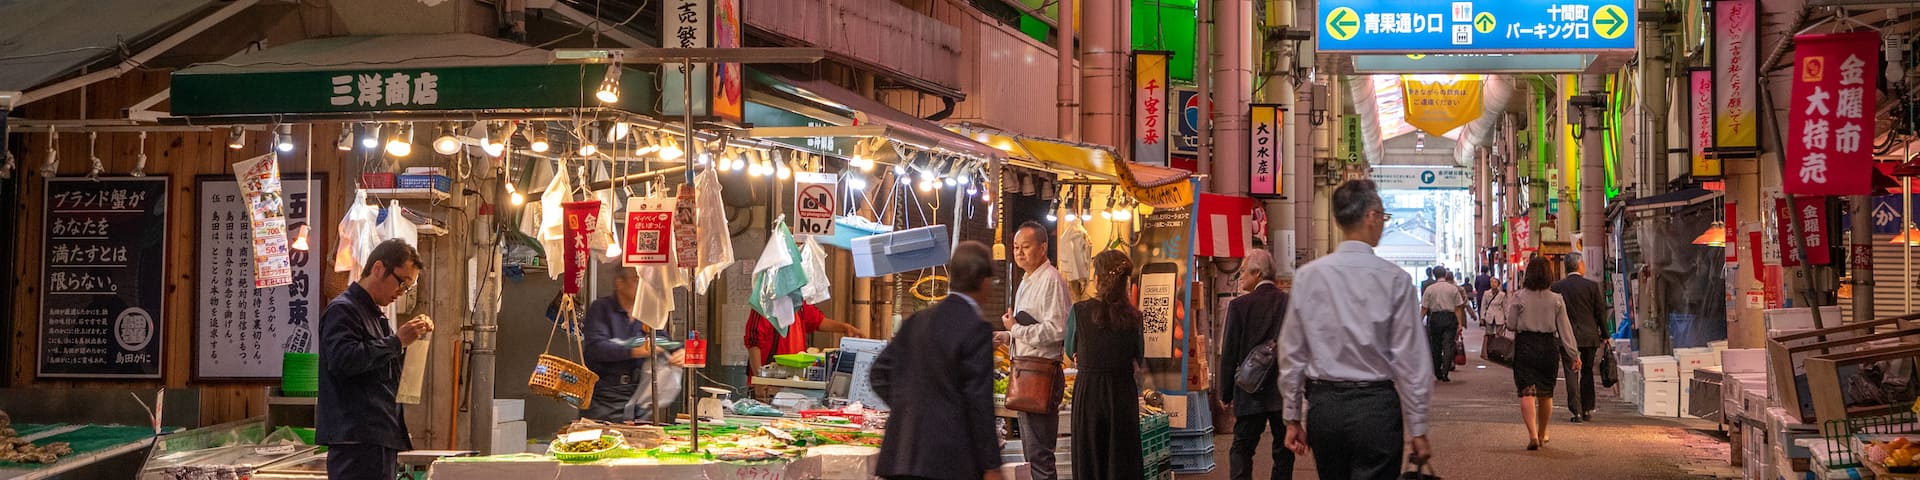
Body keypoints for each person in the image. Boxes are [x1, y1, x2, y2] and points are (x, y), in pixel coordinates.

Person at [1278, 180, 1435, 480]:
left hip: (1325, 408)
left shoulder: (1308, 277)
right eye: (1384, 218)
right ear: (1372, 216)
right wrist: (1418, 427)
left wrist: (1292, 416)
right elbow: (1411, 360)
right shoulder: (1396, 280)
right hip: (1376, 409)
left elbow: (1292, 354)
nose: (1382, 225)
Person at [871, 241, 1003, 480]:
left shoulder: (916, 320)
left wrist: (910, 409)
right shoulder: (976, 328)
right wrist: (992, 465)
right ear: (984, 282)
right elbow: (979, 401)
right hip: (949, 460)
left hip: (902, 455)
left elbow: (878, 373)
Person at [318, 239, 434, 480]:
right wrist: (397, 341)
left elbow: (384, 371)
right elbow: (343, 361)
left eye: (408, 288)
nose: (401, 292)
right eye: (402, 282)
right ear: (379, 268)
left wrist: (415, 341)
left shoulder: (376, 316)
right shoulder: (343, 310)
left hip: (378, 437)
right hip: (356, 441)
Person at [997, 221, 1071, 480]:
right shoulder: (1027, 280)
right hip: (1024, 373)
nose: (1019, 252)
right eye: (1016, 247)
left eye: (1025, 247)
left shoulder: (1050, 280)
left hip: (1040, 377)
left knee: (1039, 456)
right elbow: (1029, 326)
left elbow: (1057, 330)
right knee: (1032, 455)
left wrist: (1015, 330)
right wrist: (1007, 335)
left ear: (1043, 248)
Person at [1218, 249, 1295, 480]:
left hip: (1249, 388)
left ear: (1258, 273)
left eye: (1243, 271)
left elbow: (1229, 351)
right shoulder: (1288, 302)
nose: (1240, 276)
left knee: (1242, 448)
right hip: (1282, 390)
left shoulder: (1240, 306)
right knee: (1283, 451)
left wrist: (1226, 393)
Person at [1069, 250, 1145, 480]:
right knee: (1122, 458)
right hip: (1121, 393)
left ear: (1098, 278)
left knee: (1089, 455)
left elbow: (1069, 350)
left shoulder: (1079, 312)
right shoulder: (1134, 318)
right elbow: (1139, 357)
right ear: (1125, 282)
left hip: (1088, 394)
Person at [583, 266, 686, 422]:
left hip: (640, 396)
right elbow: (596, 347)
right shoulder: (601, 308)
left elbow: (664, 340)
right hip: (604, 396)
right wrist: (634, 351)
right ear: (619, 283)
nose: (642, 285)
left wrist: (680, 352)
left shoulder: (647, 311)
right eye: (636, 279)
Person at [1507, 257, 1581, 451]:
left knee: (1527, 392)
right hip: (1548, 346)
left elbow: (1510, 324)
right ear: (1549, 275)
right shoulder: (1557, 299)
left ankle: (1532, 434)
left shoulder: (1519, 297)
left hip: (1525, 346)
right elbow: (1565, 330)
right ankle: (1542, 433)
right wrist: (1574, 355)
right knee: (1546, 393)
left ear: (1528, 274)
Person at [1551, 253, 1608, 423]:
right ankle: (1587, 409)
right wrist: (1606, 335)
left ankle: (1575, 411)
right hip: (1589, 336)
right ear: (1579, 265)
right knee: (1587, 371)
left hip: (1566, 336)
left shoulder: (1557, 287)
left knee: (1571, 372)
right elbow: (1600, 313)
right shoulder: (1591, 286)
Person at [744, 304, 868, 367]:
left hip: (794, 378)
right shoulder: (764, 305)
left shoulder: (799, 305)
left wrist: (846, 328)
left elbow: (817, 321)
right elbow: (753, 342)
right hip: (769, 380)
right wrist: (759, 380)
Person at [1422, 270, 1468, 382]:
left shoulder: (1430, 289)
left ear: (1434, 275)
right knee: (1448, 345)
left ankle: (1437, 371)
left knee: (1436, 345)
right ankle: (1445, 372)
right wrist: (1460, 323)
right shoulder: (1453, 289)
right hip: (1450, 318)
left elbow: (1424, 308)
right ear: (1446, 275)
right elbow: (1458, 308)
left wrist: (1419, 321)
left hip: (1435, 318)